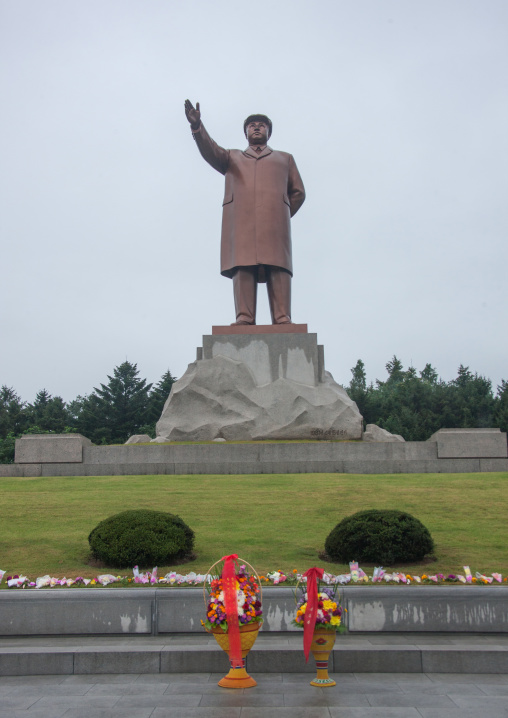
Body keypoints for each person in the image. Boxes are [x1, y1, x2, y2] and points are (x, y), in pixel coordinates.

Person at [184, 100, 305, 325]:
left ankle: (282, 316)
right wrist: (197, 127)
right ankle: (244, 316)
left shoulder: (284, 159)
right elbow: (211, 150)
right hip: (241, 223)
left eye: (261, 125)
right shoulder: (232, 157)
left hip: (274, 224)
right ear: (246, 132)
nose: (257, 127)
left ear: (269, 131)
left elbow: (298, 192)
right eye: (252, 125)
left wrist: (281, 214)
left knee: (278, 266)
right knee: (243, 266)